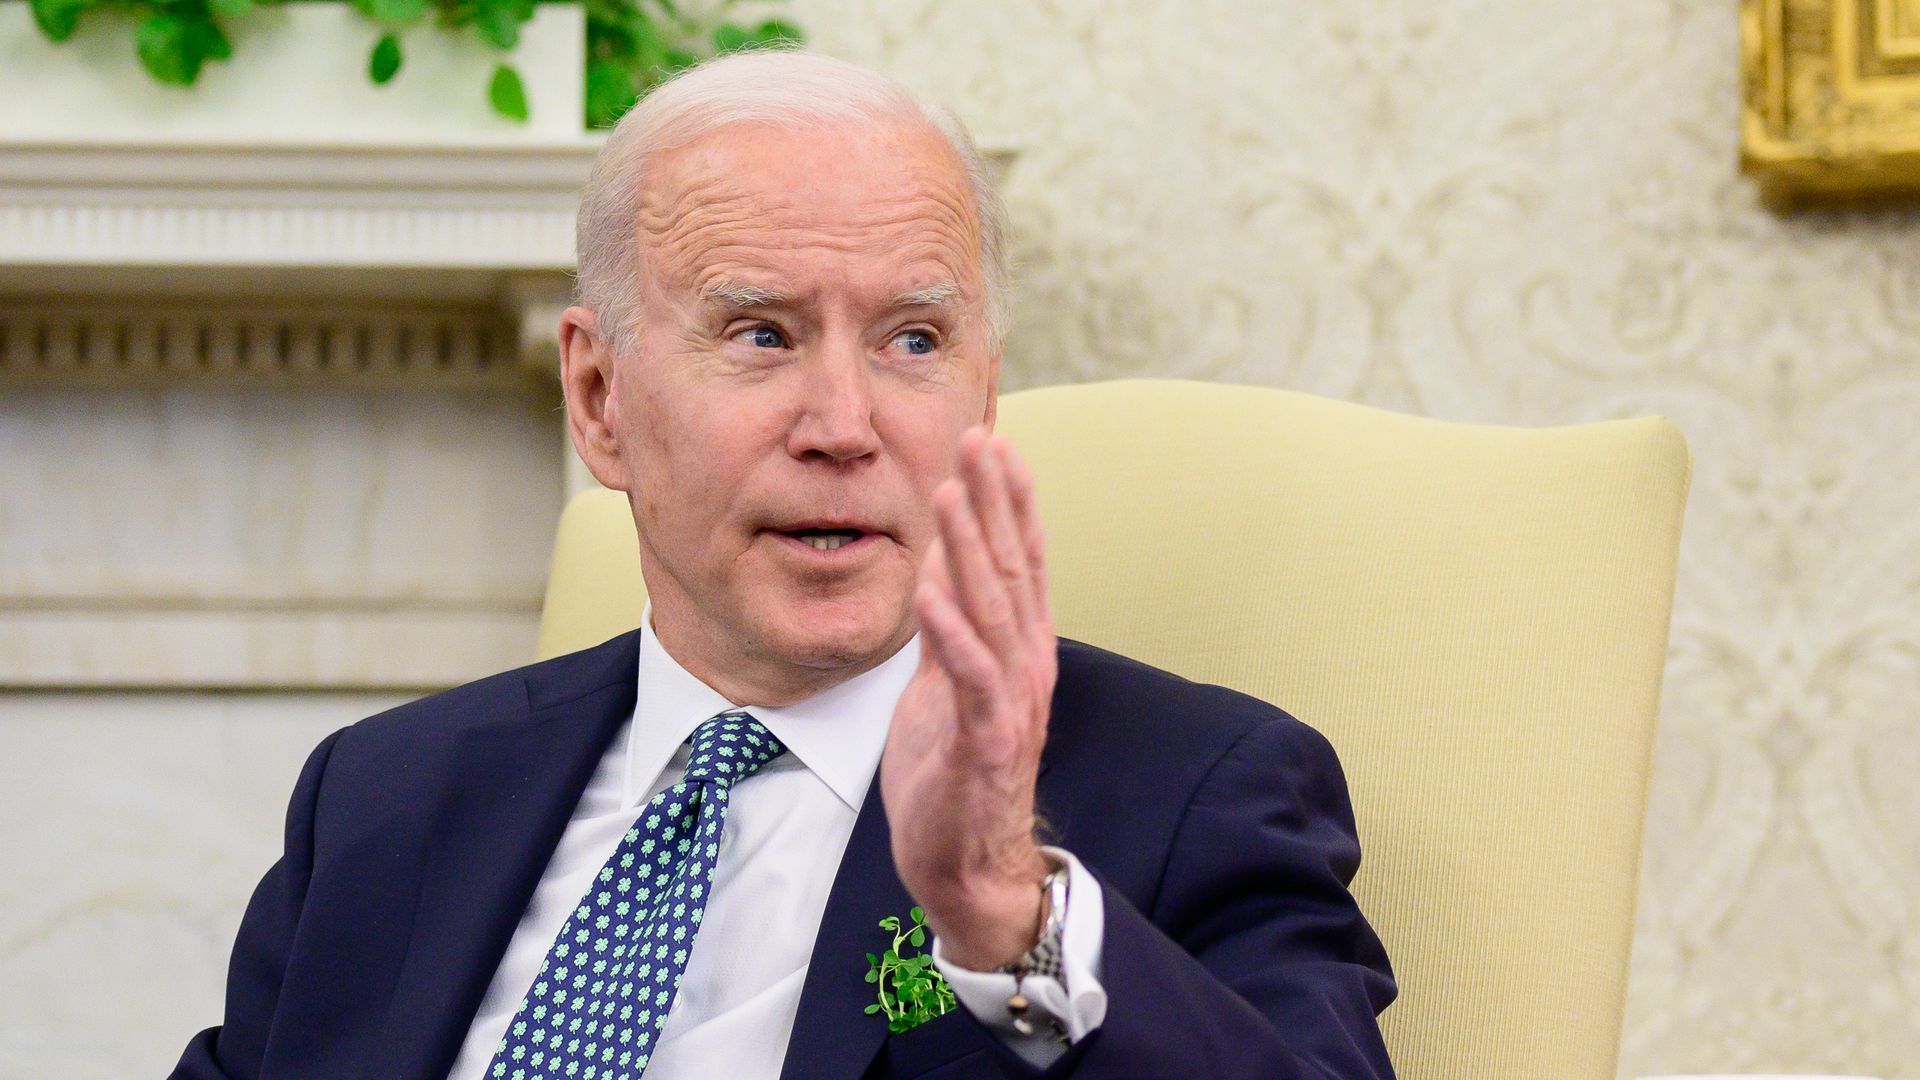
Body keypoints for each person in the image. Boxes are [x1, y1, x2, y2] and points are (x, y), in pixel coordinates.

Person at [171, 50, 1396, 1080]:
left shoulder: (1192, 794)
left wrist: (1003, 918)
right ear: (599, 399)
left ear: (985, 392)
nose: (845, 424)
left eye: (914, 339)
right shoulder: (383, 797)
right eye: (762, 334)